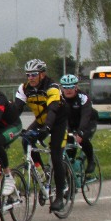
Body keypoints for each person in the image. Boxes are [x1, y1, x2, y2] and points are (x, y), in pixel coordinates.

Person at [13, 59, 68, 212]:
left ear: (42, 74)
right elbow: (16, 109)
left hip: (57, 121)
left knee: (56, 155)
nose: (30, 78)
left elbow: (53, 109)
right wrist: (9, 126)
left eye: (33, 74)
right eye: (28, 75)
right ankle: (42, 174)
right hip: (41, 120)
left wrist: (47, 128)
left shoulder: (52, 87)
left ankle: (59, 196)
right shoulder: (24, 88)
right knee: (26, 140)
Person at [58, 74, 99, 172]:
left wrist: (80, 132)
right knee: (68, 145)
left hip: (88, 121)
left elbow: (85, 116)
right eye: (65, 87)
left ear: (76, 87)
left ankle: (91, 160)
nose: (68, 90)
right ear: (62, 88)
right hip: (71, 123)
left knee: (83, 139)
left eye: (71, 87)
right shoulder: (59, 98)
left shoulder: (83, 97)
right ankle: (71, 169)